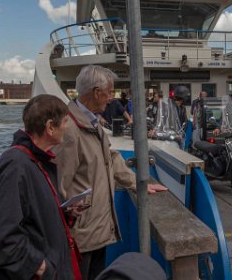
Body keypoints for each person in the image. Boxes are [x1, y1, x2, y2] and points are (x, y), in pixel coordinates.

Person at [53, 65, 167, 280]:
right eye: (110, 92)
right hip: (80, 235)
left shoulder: (90, 122)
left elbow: (110, 158)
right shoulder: (69, 130)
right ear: (96, 92)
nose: (112, 98)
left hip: (95, 230)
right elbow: (59, 184)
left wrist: (137, 183)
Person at [0, 94, 83, 280]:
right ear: (50, 127)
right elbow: (0, 237)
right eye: (64, 122)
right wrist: (42, 268)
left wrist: (64, 213)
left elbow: (32, 217)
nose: (66, 127)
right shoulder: (17, 166)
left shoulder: (36, 161)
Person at [173, 85, 189, 150]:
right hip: (173, 135)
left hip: (181, 135)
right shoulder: (171, 107)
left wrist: (182, 134)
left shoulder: (183, 108)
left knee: (182, 152)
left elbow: (185, 121)